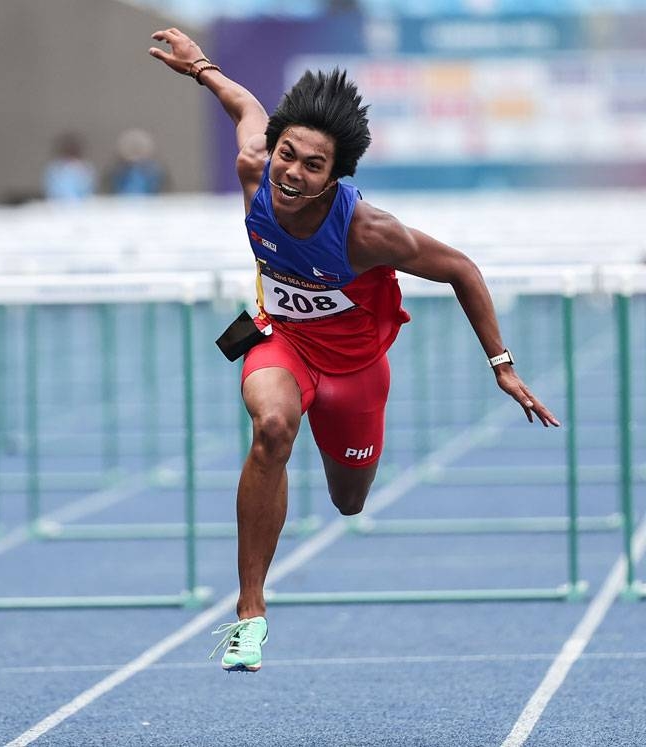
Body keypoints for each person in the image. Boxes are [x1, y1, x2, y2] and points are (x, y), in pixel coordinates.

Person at [149, 28, 560, 673]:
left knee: (349, 499)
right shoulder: (257, 168)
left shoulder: (369, 232)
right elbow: (247, 109)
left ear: (335, 175)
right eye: (289, 154)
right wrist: (200, 67)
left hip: (355, 371)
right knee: (272, 427)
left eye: (313, 166)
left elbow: (461, 269)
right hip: (280, 341)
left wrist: (502, 365)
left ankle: (338, 477)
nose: (292, 173)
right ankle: (250, 611)